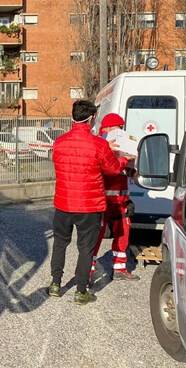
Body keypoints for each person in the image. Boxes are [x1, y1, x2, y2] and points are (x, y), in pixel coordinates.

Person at [48, 100, 131, 305]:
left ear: (72, 116)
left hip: (63, 202)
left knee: (60, 243)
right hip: (89, 205)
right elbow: (112, 169)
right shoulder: (99, 144)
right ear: (92, 118)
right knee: (85, 248)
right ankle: (81, 290)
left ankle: (55, 284)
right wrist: (124, 159)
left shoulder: (59, 142)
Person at [91, 113, 140, 282]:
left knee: (122, 234)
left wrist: (132, 167)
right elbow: (107, 168)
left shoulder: (119, 145)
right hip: (102, 200)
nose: (120, 132)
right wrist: (123, 159)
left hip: (121, 201)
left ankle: (120, 268)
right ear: (108, 128)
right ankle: (88, 270)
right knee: (95, 236)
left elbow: (128, 173)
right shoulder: (99, 145)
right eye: (117, 127)